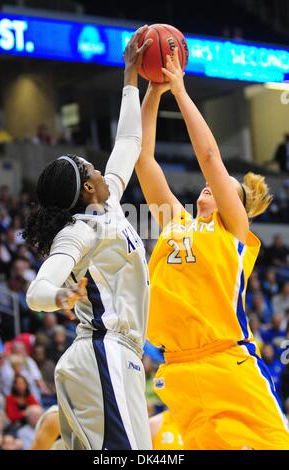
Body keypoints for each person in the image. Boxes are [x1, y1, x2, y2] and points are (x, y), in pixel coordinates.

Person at [135, 48, 289, 450]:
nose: (212, 184)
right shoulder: (175, 224)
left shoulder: (235, 233)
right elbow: (144, 160)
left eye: (225, 187)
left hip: (228, 362)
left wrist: (182, 91)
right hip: (178, 369)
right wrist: (153, 92)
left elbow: (208, 156)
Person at [24, 26, 152, 450]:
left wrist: (131, 79)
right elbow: (36, 291)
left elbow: (130, 140)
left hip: (110, 359)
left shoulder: (109, 200)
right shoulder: (80, 231)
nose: (99, 167)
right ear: (87, 187)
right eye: (90, 166)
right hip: (103, 354)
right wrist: (62, 297)